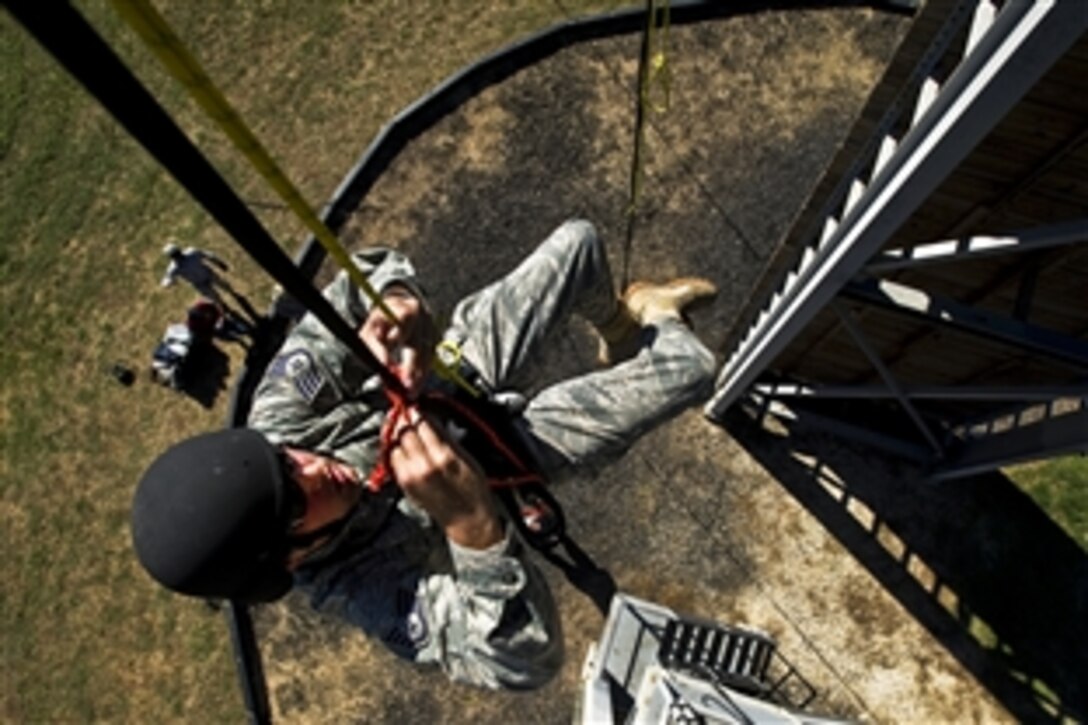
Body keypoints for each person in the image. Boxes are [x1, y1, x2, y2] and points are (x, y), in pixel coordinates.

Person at [131, 219, 717, 690]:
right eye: (294, 505)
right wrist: (473, 527)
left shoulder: (279, 420)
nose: (312, 469)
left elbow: (361, 271)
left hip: (450, 376)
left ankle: (619, 320)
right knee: (691, 368)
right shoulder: (358, 586)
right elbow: (521, 661)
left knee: (579, 244)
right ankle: (658, 317)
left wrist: (395, 304)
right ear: (291, 559)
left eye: (285, 462)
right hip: (507, 462)